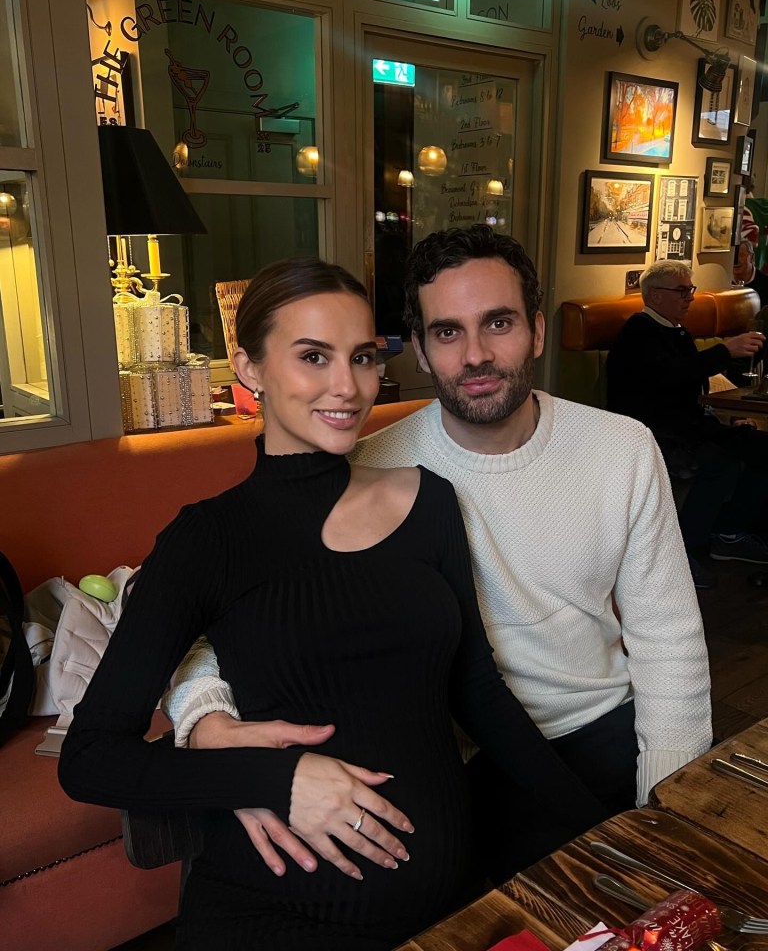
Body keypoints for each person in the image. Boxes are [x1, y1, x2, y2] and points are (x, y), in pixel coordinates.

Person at [58, 257, 606, 951]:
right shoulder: (209, 538)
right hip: (276, 916)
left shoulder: (428, 500)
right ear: (249, 368)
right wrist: (273, 779)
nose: (347, 387)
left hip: (455, 906)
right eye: (312, 356)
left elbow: (478, 690)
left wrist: (604, 830)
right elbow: (89, 758)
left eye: (363, 357)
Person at [164, 227, 712, 885]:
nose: (476, 355)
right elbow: (215, 623)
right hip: (436, 757)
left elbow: (667, 640)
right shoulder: (368, 467)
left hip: (594, 729)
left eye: (498, 323)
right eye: (448, 332)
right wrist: (204, 721)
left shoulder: (622, 449)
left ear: (536, 330)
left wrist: (667, 811)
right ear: (420, 350)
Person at [607, 259, 768, 590]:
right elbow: (670, 376)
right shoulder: (639, 331)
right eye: (682, 291)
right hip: (650, 432)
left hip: (688, 425)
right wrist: (726, 351)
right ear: (654, 295)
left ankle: (729, 532)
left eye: (690, 290)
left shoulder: (675, 329)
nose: (690, 298)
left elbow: (692, 381)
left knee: (760, 448)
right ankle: (677, 554)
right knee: (720, 463)